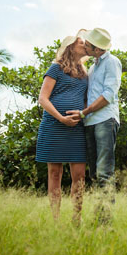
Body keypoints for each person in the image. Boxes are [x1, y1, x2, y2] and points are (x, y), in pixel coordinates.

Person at [67, 27, 122, 224]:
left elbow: (108, 95)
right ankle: (100, 217)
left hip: (105, 121)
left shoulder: (112, 63)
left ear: (99, 50)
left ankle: (105, 223)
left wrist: (84, 112)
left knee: (105, 173)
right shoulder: (93, 66)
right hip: (90, 123)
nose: (86, 47)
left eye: (89, 45)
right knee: (95, 174)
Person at [36, 33, 88, 225]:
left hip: (76, 128)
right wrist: (61, 118)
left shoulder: (85, 72)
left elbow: (85, 100)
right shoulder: (56, 68)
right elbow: (43, 98)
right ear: (70, 47)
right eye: (81, 43)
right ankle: (55, 220)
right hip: (53, 126)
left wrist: (81, 114)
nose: (84, 46)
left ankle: (77, 218)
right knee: (55, 174)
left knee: (79, 175)